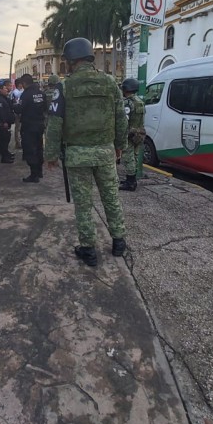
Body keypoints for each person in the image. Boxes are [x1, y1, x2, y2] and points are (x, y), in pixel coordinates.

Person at [45, 38, 128, 267]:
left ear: (71, 60)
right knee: (111, 197)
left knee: (83, 203)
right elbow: (121, 117)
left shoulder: (64, 86)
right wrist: (120, 144)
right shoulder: (110, 82)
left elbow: (54, 122)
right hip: (104, 153)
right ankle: (119, 241)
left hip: (77, 156)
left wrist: (50, 154)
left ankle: (89, 249)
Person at [14, 73, 46, 183]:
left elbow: (19, 109)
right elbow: (45, 108)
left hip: (29, 126)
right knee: (39, 148)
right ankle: (39, 171)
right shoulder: (41, 93)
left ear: (23, 83)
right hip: (40, 124)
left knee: (30, 149)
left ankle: (34, 175)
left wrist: (14, 105)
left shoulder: (26, 95)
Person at [119, 77, 146, 192]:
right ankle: (131, 180)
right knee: (134, 156)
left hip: (130, 134)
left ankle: (130, 183)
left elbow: (125, 120)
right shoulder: (140, 101)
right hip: (139, 133)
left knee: (128, 158)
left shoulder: (127, 103)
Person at [0, 80, 16, 163]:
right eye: (5, 88)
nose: (7, 90)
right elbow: (1, 112)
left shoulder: (5, 98)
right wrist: (4, 122)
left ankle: (6, 152)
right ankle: (4, 157)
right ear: (0, 90)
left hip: (7, 122)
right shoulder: (0, 100)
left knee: (6, 139)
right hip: (4, 124)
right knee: (3, 140)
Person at [11, 79, 24, 150]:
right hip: (17, 113)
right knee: (18, 128)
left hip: (22, 112)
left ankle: (20, 142)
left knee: (21, 128)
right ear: (19, 84)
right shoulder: (15, 92)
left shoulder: (22, 91)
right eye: (21, 83)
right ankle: (18, 143)